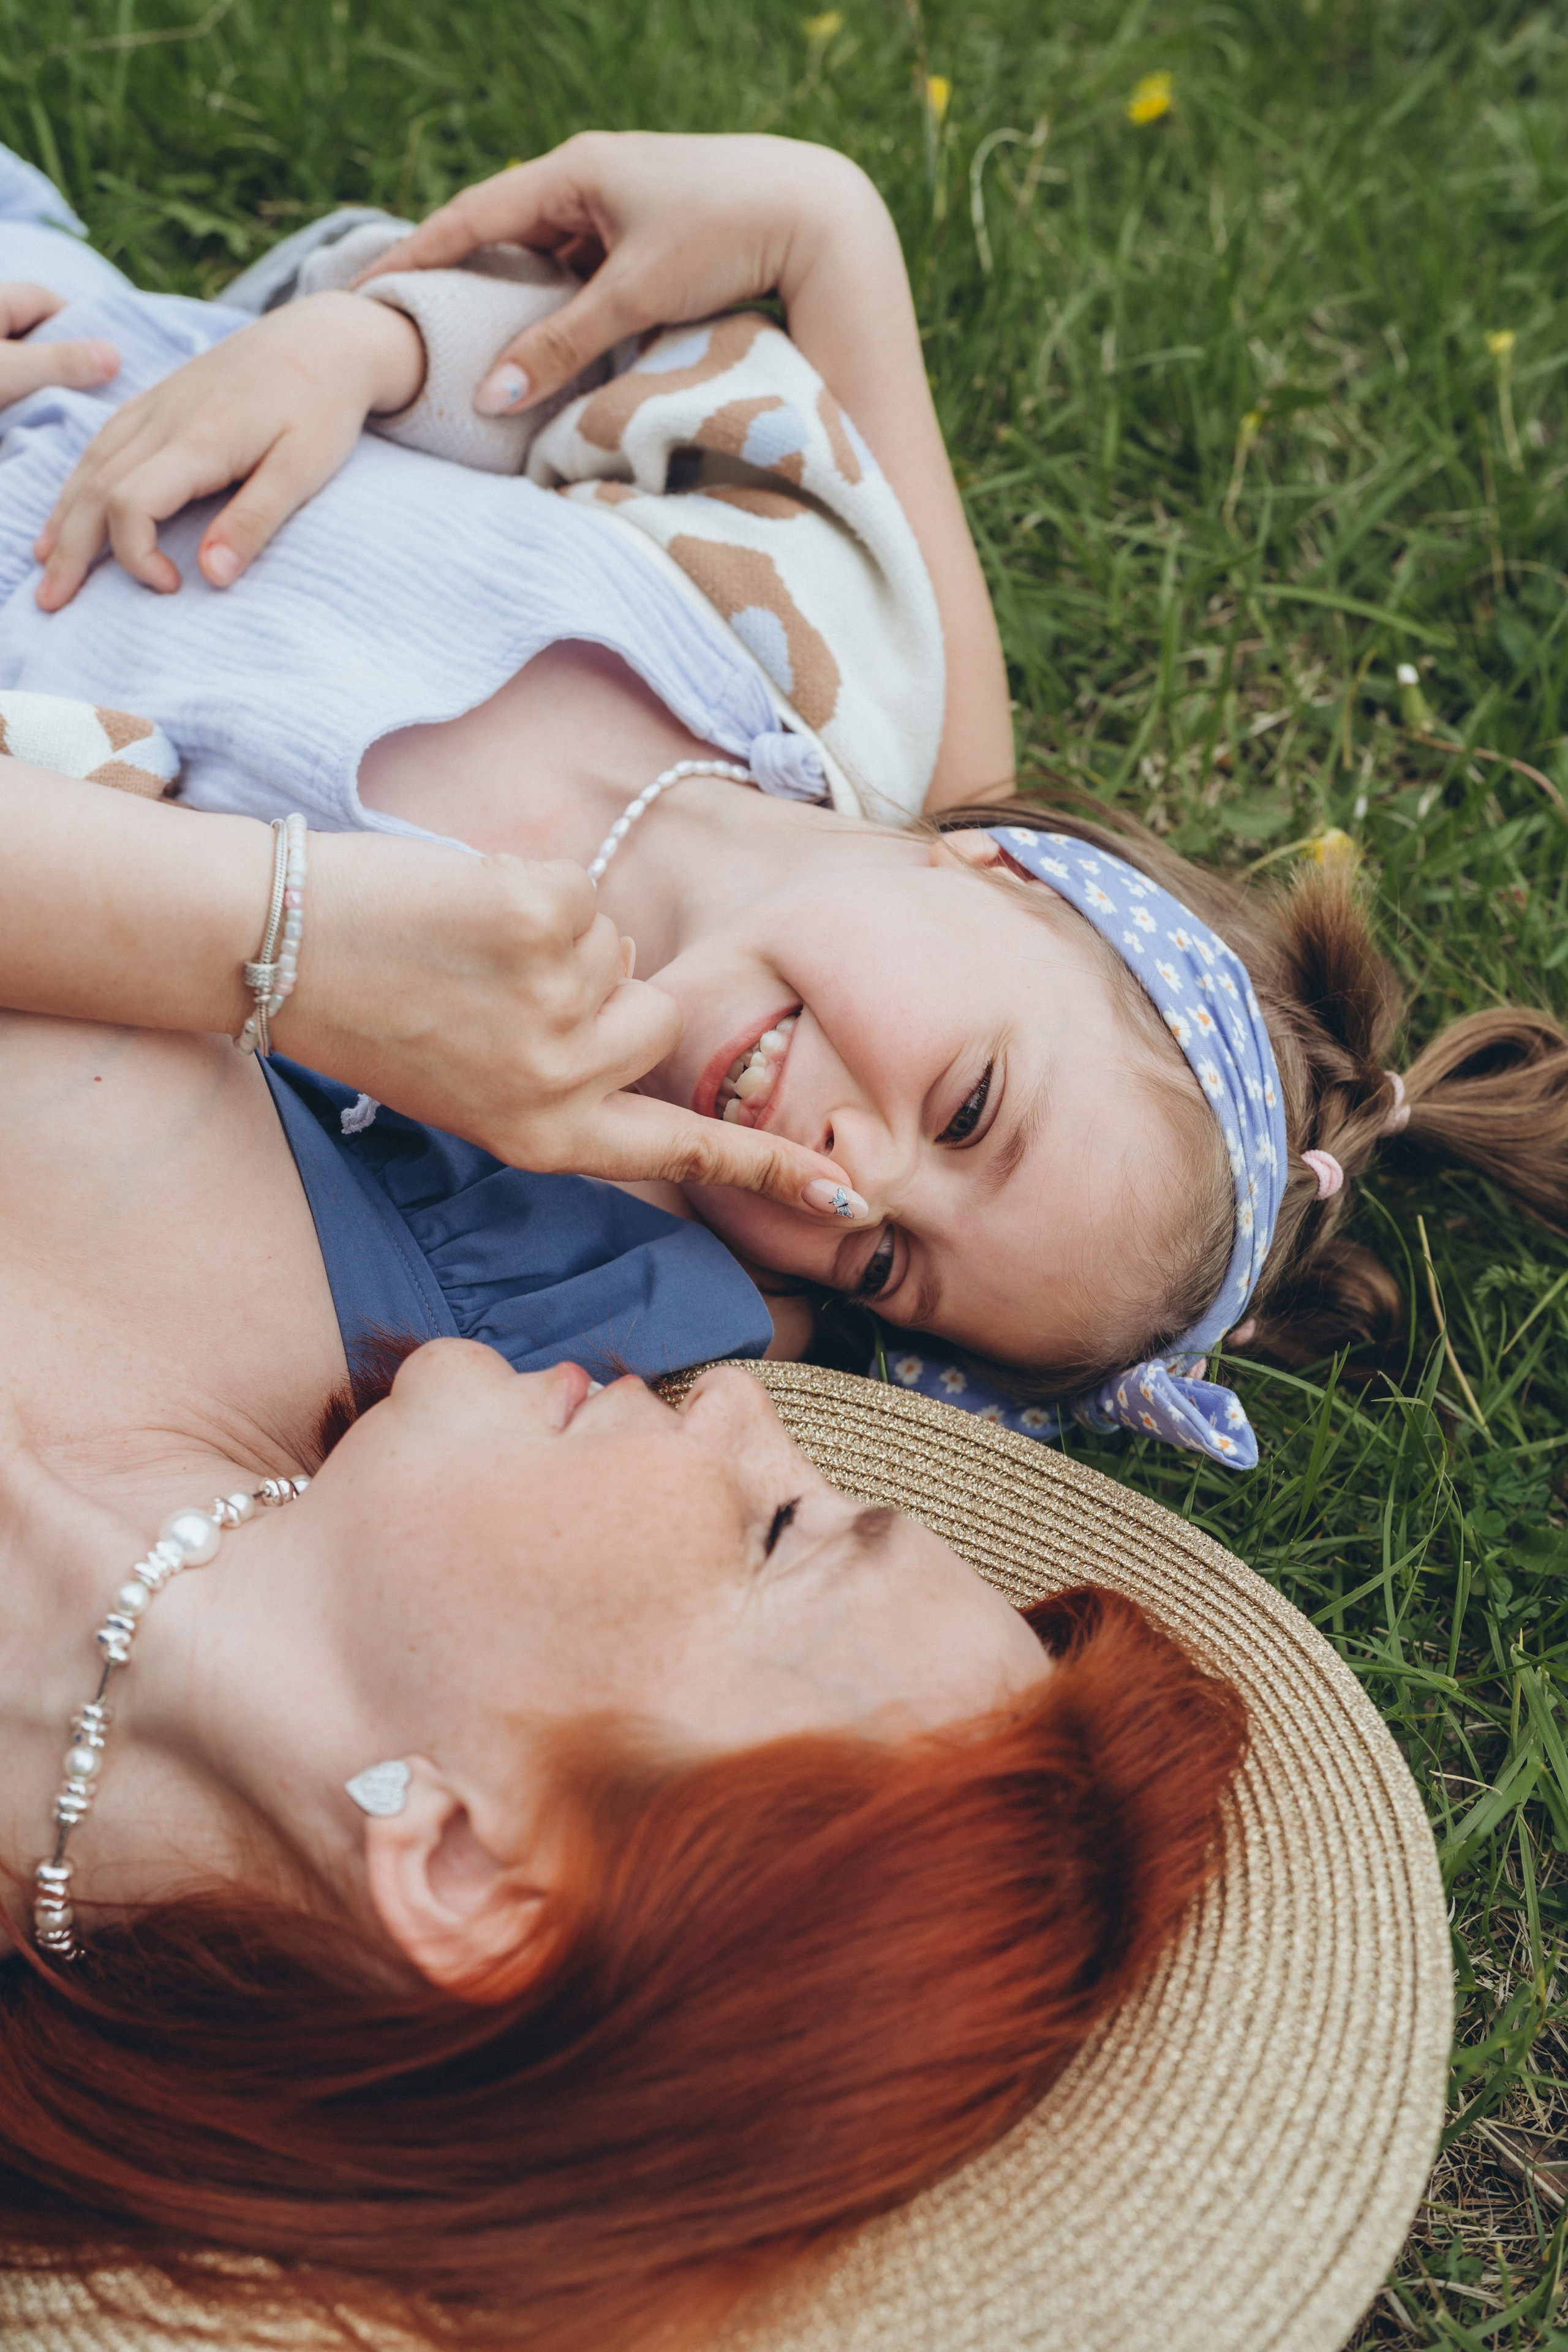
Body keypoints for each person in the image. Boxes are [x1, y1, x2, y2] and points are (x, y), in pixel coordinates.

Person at [3, 134, 1565, 1470]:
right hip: (65, 316)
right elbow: (580, 371)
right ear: (1002, 872)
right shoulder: (834, 658)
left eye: (887, 1263)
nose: (845, 1180)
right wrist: (363, 347)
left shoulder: (506, 1120)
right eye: (965, 1113)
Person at [0, 834, 1249, 2345]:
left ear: (465, 1869)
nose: (736, 1413)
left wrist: (272, 927)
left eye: (778, 1535)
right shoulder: (333, 1219)